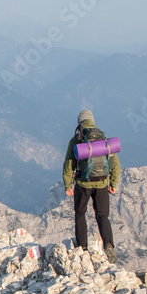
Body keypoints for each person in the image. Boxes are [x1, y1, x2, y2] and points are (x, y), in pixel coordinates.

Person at [62, 109, 120, 262]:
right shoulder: (103, 139)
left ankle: (82, 247)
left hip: (83, 184)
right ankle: (108, 244)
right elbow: (115, 164)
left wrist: (68, 185)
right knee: (102, 216)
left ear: (79, 123)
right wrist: (113, 183)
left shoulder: (76, 140)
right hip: (101, 183)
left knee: (80, 214)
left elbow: (69, 164)